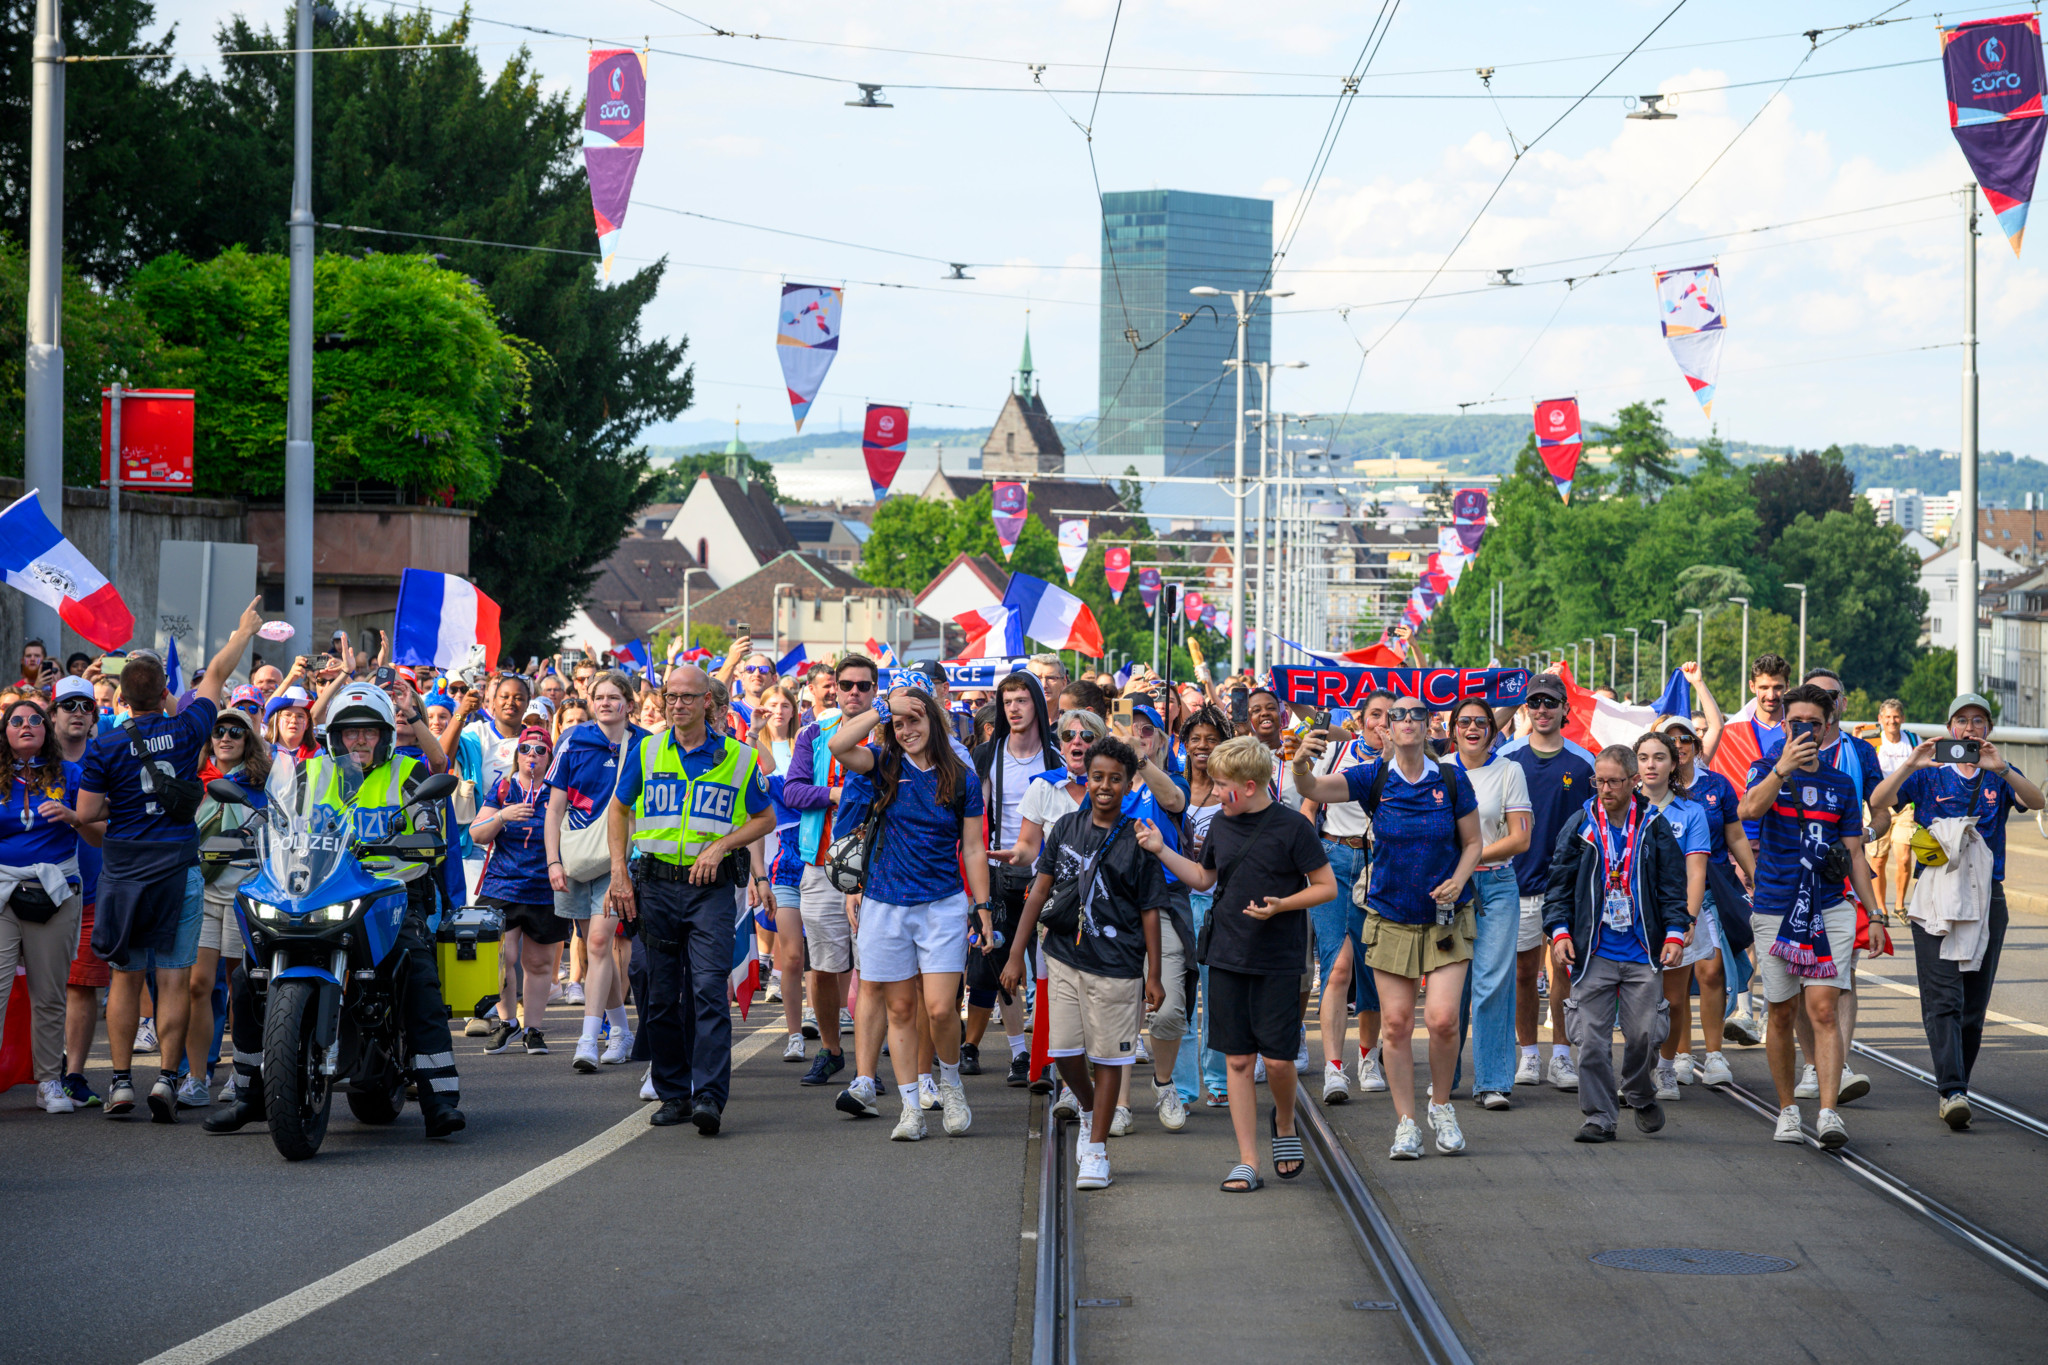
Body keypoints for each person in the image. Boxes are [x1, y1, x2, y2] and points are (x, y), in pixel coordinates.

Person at [207, 682, 465, 1139]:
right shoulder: (307, 776)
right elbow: (274, 819)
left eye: (368, 732)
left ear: (385, 734)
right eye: (350, 733)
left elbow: (429, 822)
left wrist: (420, 839)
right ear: (335, 737)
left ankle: (438, 1100)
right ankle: (249, 1094)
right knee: (249, 978)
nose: (360, 741)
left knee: (417, 971)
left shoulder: (407, 775)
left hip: (388, 896)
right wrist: (250, 838)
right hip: (313, 890)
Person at [79, 601, 263, 1122]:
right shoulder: (187, 730)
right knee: (176, 979)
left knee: (125, 978)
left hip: (125, 873)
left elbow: (91, 815)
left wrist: (120, 817)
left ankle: (118, 1083)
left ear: (120, 697)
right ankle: (166, 1078)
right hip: (177, 868)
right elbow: (220, 673)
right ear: (164, 693)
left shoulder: (105, 746)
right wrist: (243, 630)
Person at [1143, 735, 1335, 1190]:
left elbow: (1325, 886)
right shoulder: (1222, 826)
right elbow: (1204, 878)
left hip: (1278, 958)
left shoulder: (1293, 827)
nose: (1213, 792)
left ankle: (1284, 1122)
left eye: (1221, 784)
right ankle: (1248, 1159)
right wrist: (1161, 849)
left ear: (1250, 786)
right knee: (1238, 1061)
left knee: (1280, 1061)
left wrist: (1282, 905)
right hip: (1227, 953)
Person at [1294, 704, 1480, 1160]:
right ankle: (1407, 1122)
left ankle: (1440, 1107)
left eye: (1418, 713)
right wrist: (1300, 761)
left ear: (1427, 727)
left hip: (1445, 917)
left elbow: (1474, 842)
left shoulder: (1452, 779)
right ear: (1386, 729)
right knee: (1395, 1026)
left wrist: (1459, 877)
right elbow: (1313, 788)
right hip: (1391, 914)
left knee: (1441, 1019)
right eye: (1397, 716)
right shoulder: (1370, 776)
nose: (1408, 721)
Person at [607, 664, 774, 1136]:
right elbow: (619, 810)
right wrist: (620, 871)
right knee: (659, 995)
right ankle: (674, 1093)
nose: (676, 704)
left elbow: (764, 818)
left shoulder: (739, 758)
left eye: (686, 697)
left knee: (706, 991)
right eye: (669, 696)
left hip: (711, 891)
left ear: (707, 703)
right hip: (655, 885)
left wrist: (723, 845)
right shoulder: (647, 749)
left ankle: (709, 1097)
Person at [1869, 691, 2041, 1129]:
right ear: (1948, 730)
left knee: (1973, 1002)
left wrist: (2001, 767)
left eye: (1978, 721)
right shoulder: (1930, 776)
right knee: (1943, 996)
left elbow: (2037, 801)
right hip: (1936, 895)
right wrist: (1911, 763)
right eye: (1961, 721)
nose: (1969, 729)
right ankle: (1953, 1090)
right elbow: (1878, 800)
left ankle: (1958, 1079)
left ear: (1988, 730)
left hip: (1987, 897)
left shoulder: (1997, 774)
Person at [827, 688, 992, 1139]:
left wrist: (983, 907)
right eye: (900, 725)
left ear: (934, 723)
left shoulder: (961, 777)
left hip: (942, 903)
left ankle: (950, 1083)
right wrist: (883, 708)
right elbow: (838, 746)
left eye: (916, 720)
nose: (908, 731)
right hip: (884, 903)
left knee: (940, 1009)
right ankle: (909, 1111)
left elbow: (974, 848)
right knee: (899, 1007)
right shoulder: (884, 764)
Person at [1003, 736, 1166, 1189]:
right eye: (1098, 777)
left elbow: (1151, 909)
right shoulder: (1066, 828)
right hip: (1062, 956)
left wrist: (1153, 973)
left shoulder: (1139, 837)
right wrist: (1017, 952)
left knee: (1109, 1058)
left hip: (1117, 964)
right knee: (1066, 1052)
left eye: (1116, 778)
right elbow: (1039, 890)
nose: (1105, 786)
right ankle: (1093, 1107)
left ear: (1130, 783)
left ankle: (1096, 1149)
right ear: (1085, 778)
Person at [1735, 682, 1882, 1149]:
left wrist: (1874, 913)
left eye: (1813, 725)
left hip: (1831, 908)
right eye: (1796, 723)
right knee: (1781, 1013)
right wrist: (1781, 769)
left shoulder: (1840, 783)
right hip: (1777, 907)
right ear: (1784, 724)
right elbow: (1747, 810)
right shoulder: (1765, 769)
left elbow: (1856, 855)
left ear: (1827, 726)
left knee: (1822, 1007)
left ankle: (1828, 1112)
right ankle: (1786, 1110)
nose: (1805, 731)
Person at [1543, 745, 1689, 1142]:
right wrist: (1559, 932)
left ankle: (1639, 1092)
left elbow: (1674, 886)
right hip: (1593, 951)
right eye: (1598, 780)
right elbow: (1556, 885)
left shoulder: (1654, 826)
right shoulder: (1581, 825)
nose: (1604, 788)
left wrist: (1675, 933)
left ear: (1633, 781)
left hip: (1643, 950)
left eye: (1613, 781)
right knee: (1591, 1041)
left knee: (1644, 1036)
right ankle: (1599, 1117)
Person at [0, 695, 103, 1113]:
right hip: (2, 889)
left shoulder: (73, 774)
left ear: (47, 731)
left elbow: (99, 835)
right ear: (4, 732)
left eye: (35, 720)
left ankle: (48, 1081)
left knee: (49, 993)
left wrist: (76, 817)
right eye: (16, 720)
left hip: (56, 890)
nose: (26, 725)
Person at [782, 654, 880, 1086]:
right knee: (822, 968)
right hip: (822, 865)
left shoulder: (891, 733)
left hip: (879, 870)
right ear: (834, 689)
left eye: (863, 686)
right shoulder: (813, 733)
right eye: (846, 685)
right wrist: (838, 794)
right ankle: (831, 1049)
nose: (854, 692)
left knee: (874, 969)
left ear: (876, 690)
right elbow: (794, 791)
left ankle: (868, 1066)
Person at [545, 671, 649, 1072]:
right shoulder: (572, 741)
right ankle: (621, 1030)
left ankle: (588, 1038)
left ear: (628, 703)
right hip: (577, 856)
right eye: (599, 697)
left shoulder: (645, 744)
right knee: (593, 948)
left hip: (621, 859)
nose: (605, 703)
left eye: (613, 697)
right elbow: (554, 809)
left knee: (601, 944)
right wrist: (553, 861)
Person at [1497, 674, 1596, 1092]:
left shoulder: (1583, 762)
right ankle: (1529, 1054)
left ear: (1564, 710)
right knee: (1523, 974)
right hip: (1516, 881)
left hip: (1564, 886)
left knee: (1563, 971)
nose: (1542, 710)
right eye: (1534, 702)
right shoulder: (1507, 756)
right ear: (1525, 709)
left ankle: (1560, 1055)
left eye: (1550, 702)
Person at [1299, 690, 1393, 1100]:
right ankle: (1334, 1068)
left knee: (1374, 968)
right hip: (1335, 858)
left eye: (1392, 717)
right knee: (1337, 965)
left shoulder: (1407, 763)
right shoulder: (1337, 754)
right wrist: (1312, 854)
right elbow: (1309, 804)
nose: (1383, 724)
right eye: (1375, 715)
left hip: (1381, 864)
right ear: (1359, 720)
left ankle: (1370, 1056)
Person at [969, 671, 1061, 1087]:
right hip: (999, 869)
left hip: (1049, 873)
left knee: (1047, 967)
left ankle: (1046, 1051)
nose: (1014, 709)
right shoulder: (987, 755)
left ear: (1037, 704)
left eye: (1022, 700)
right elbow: (973, 817)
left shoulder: (1057, 756)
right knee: (1002, 965)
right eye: (1008, 702)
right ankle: (1018, 1053)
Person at [1654, 713, 1754, 1086]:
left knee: (1711, 971)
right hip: (1664, 897)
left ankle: (1714, 1056)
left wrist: (1756, 879)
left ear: (1697, 746)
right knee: (1674, 984)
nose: (1679, 745)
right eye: (1671, 739)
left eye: (1686, 739)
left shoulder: (1717, 786)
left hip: (1711, 891)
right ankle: (1681, 1055)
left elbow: (1736, 836)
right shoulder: (1648, 787)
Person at [1447, 698, 1532, 1110]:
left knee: (1491, 982)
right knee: (1452, 987)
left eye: (1480, 722)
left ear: (1493, 731)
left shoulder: (1509, 770)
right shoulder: (1438, 770)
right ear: (1453, 730)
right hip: (1449, 891)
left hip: (1496, 884)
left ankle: (1493, 1081)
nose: (1472, 728)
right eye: (1464, 722)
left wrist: (1470, 857)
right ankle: (1448, 1077)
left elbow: (1521, 837)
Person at [183, 709, 267, 1108]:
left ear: (248, 740)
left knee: (242, 990)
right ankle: (196, 1076)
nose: (226, 737)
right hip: (202, 894)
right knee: (198, 985)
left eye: (236, 731)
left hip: (243, 896)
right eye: (219, 731)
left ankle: (243, 1073)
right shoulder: (193, 779)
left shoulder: (262, 786)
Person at [477, 727, 568, 1056]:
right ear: (517, 755)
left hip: (546, 887)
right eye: (526, 748)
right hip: (503, 883)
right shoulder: (503, 787)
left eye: (540, 750)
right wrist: (503, 815)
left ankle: (533, 1028)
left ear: (550, 757)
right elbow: (477, 834)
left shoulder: (558, 790)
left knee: (540, 963)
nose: (532, 754)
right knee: (500, 958)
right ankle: (506, 1023)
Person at [1634, 730, 1711, 1103]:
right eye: (1644, 758)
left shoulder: (1692, 812)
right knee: (1635, 1001)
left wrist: (1688, 920)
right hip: (1629, 920)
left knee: (1674, 1000)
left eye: (1659, 757)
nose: (1651, 765)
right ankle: (1634, 1071)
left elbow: (1696, 871)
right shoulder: (1622, 805)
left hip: (1674, 918)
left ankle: (1666, 1067)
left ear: (1674, 763)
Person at [52, 676, 108, 1108]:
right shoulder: (30, 759)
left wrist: (76, 817)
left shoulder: (106, 759)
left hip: (92, 892)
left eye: (85, 706)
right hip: (32, 896)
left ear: (94, 716)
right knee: (39, 988)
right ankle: (41, 1068)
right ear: (52, 714)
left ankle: (73, 1074)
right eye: (67, 705)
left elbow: (112, 831)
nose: (76, 712)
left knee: (80, 986)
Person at [750, 684, 811, 1061]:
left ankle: (824, 1017)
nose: (778, 711)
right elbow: (757, 813)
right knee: (791, 956)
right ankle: (794, 1034)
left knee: (823, 956)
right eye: (771, 706)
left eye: (785, 705)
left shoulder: (814, 744)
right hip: (783, 859)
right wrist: (759, 875)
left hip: (821, 857)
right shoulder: (763, 761)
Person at [1870, 698, 1919, 919]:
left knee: (1904, 856)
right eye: (1888, 717)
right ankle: (1881, 907)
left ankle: (1900, 904)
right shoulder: (1872, 741)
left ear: (1903, 718)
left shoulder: (1913, 740)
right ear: (1880, 719)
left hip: (1905, 805)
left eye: (1896, 717)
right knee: (1878, 860)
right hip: (1877, 806)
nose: (1892, 721)